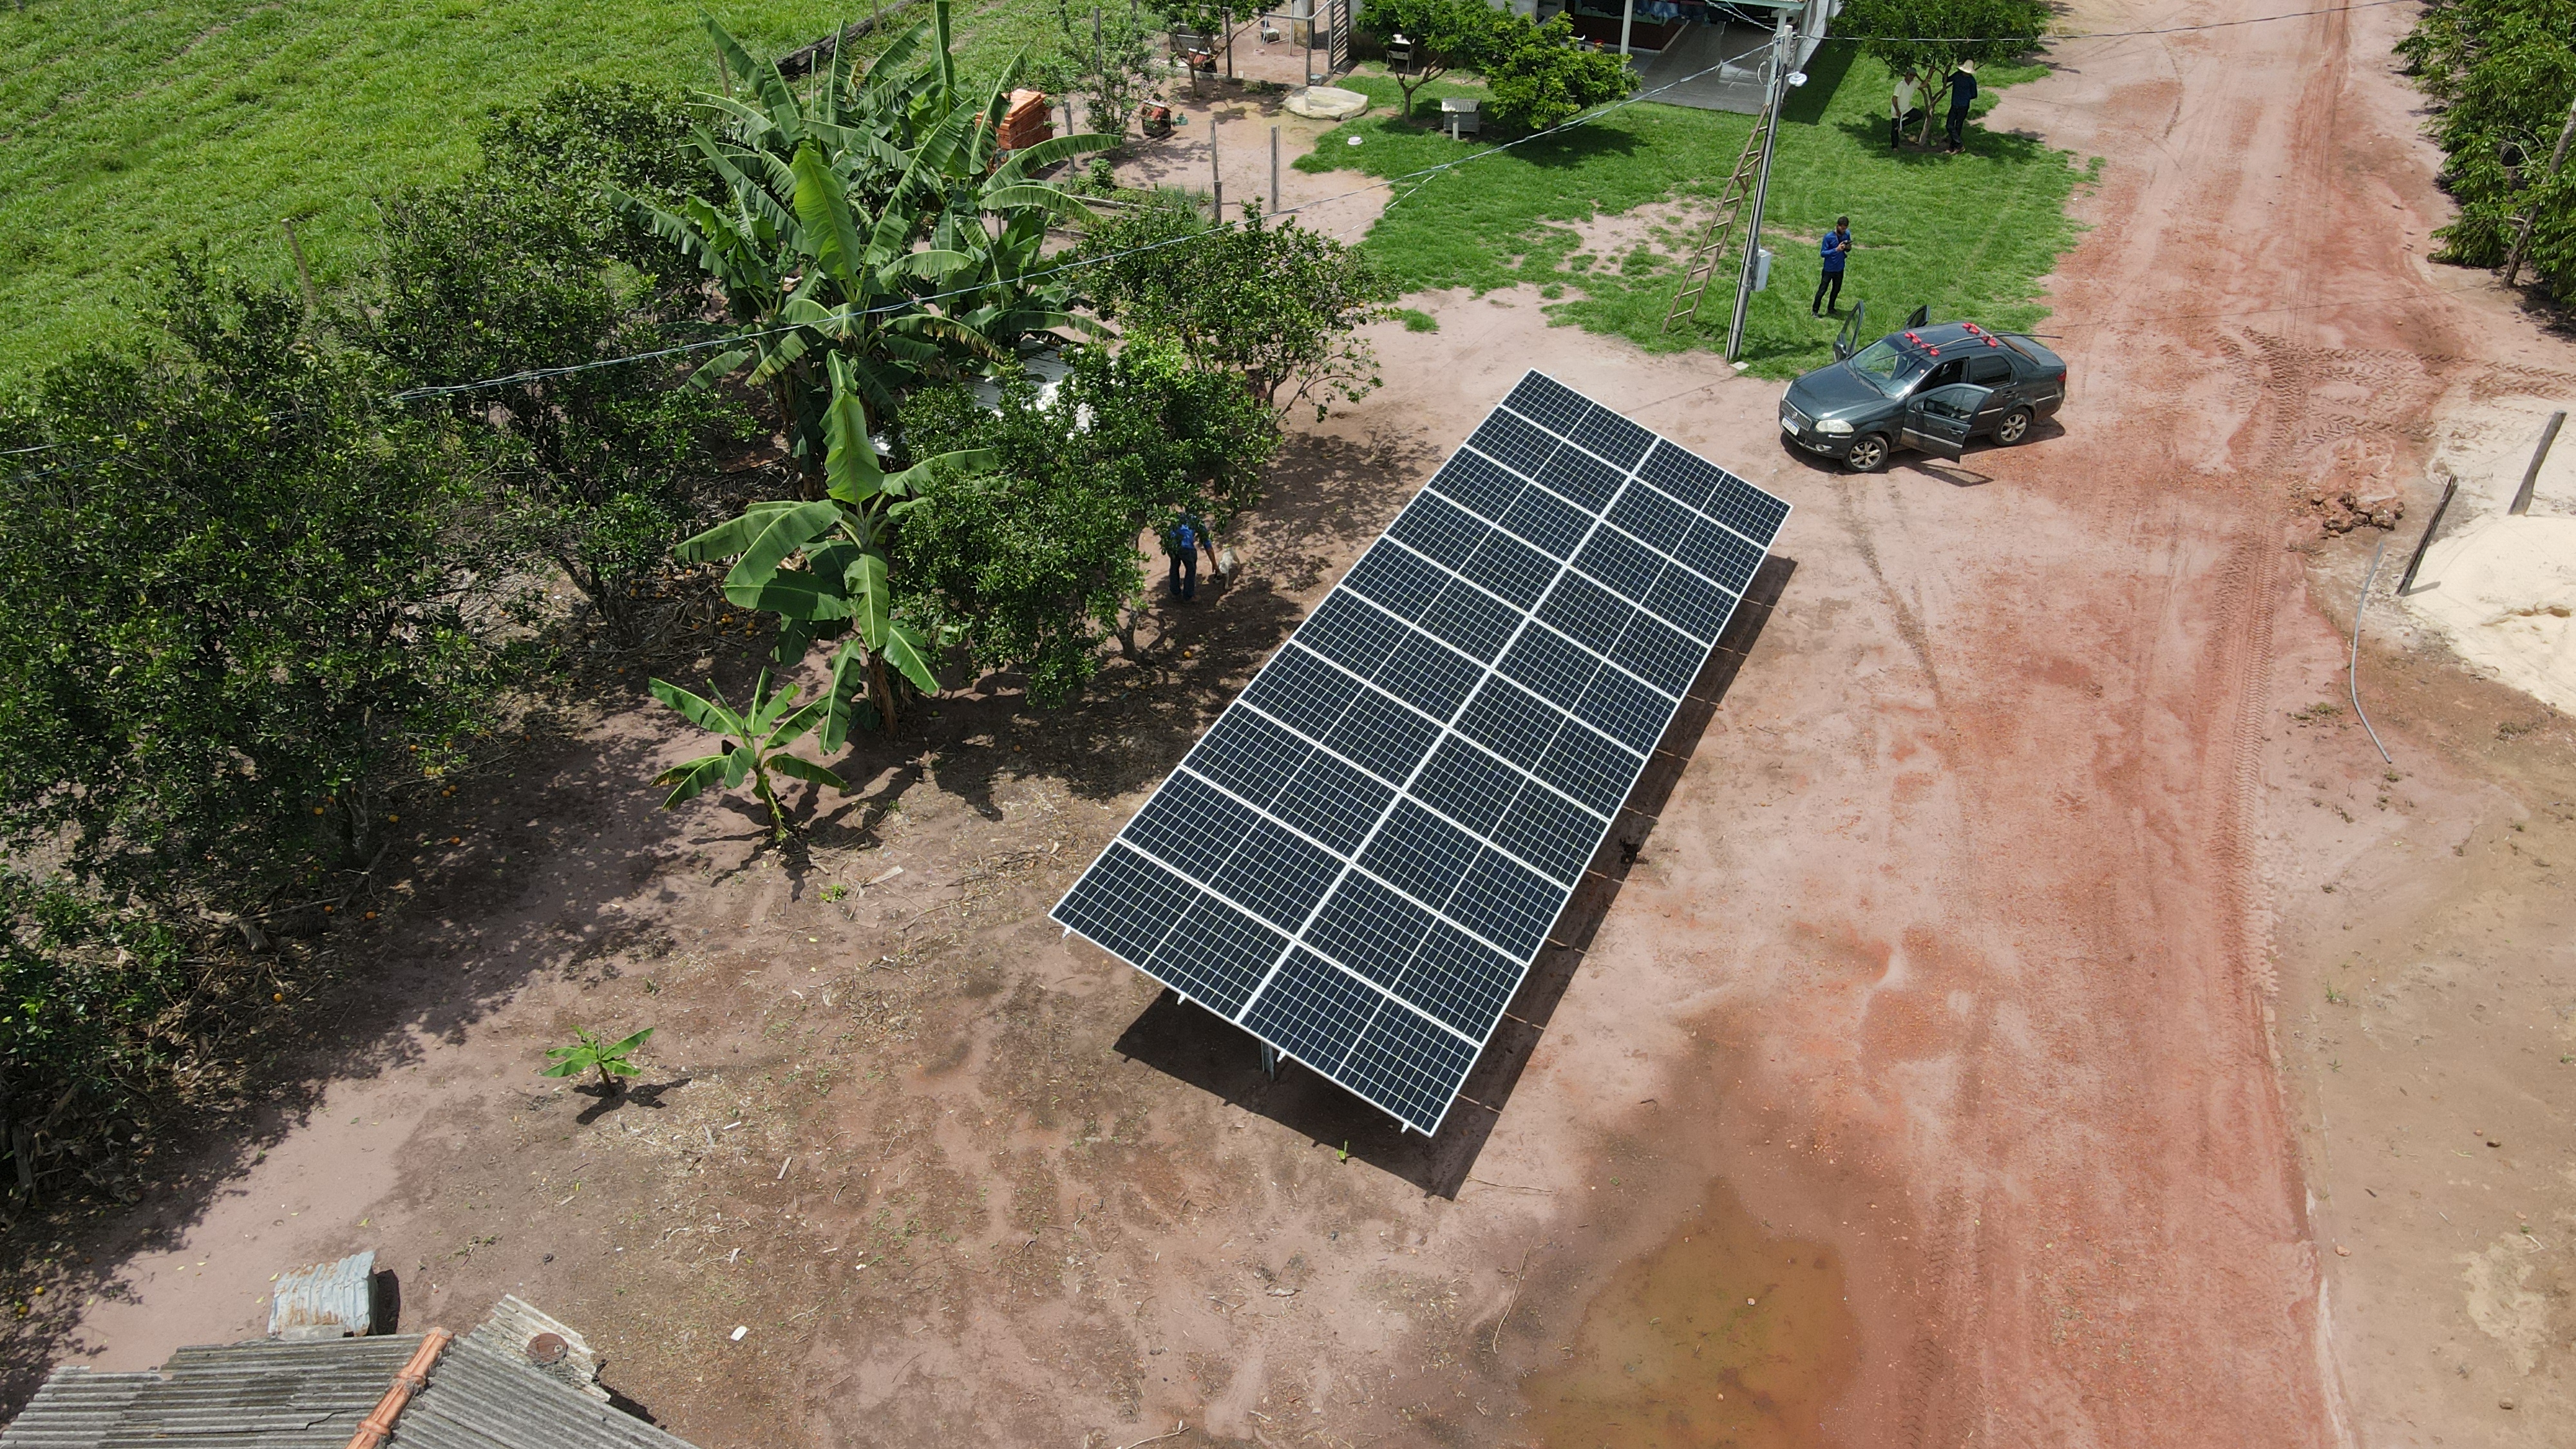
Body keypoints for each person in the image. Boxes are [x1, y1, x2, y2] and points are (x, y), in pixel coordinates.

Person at [1165, 509, 1218, 601]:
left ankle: (1175, 592)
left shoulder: (1177, 517)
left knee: (1174, 566)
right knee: (1191, 569)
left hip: (1172, 546)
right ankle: (1188, 596)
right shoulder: (1197, 521)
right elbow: (1208, 545)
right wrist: (1215, 564)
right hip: (1187, 548)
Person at [1812, 217, 1852, 317]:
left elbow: (1847, 250)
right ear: (1837, 226)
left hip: (1840, 268)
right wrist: (1836, 250)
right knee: (1822, 290)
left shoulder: (1847, 234)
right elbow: (1823, 253)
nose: (1844, 231)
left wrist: (1848, 248)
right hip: (1829, 269)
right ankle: (1815, 310)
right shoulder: (1828, 237)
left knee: (1836, 289)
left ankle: (1831, 308)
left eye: (1845, 229)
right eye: (1842, 228)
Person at [1946, 60, 1978, 152]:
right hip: (1956, 104)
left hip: (1963, 106)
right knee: (1949, 125)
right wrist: (1946, 71)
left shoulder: (1971, 81)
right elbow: (1946, 80)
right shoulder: (1958, 76)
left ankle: (1953, 147)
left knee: (1958, 126)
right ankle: (1959, 144)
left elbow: (1974, 95)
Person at [1889, 74, 1918, 149]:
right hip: (1897, 109)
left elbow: (1924, 85)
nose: (1911, 77)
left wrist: (1931, 72)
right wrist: (1897, 111)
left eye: (1913, 75)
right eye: (1910, 75)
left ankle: (1902, 124)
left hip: (1907, 109)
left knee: (1918, 115)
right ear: (1906, 75)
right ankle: (1895, 147)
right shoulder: (1900, 85)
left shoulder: (1913, 84)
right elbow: (1894, 99)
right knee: (1895, 129)